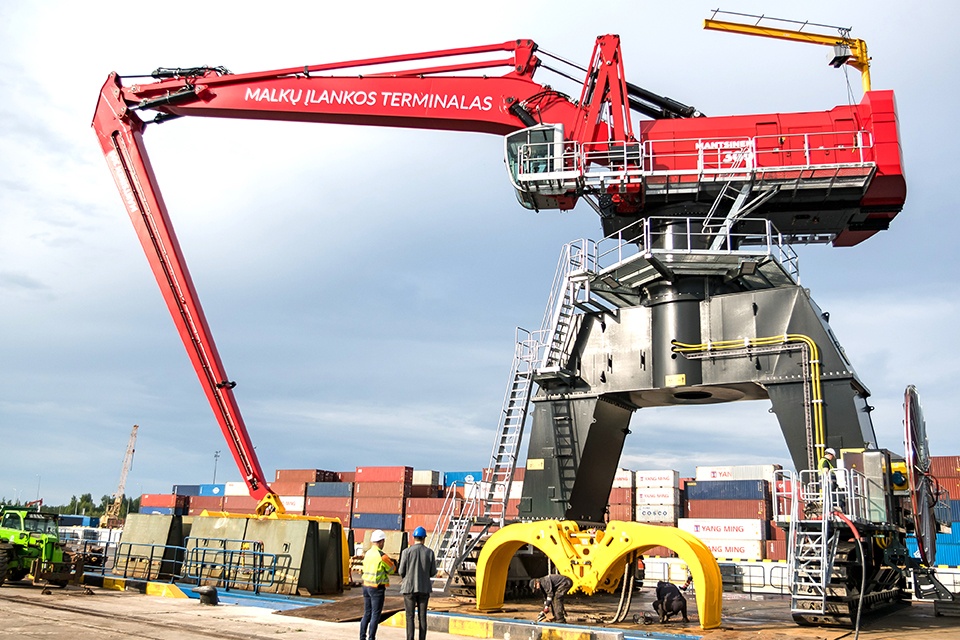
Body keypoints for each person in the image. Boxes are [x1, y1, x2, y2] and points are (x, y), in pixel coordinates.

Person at [398, 526, 437, 640]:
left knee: (409, 617)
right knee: (422, 617)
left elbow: (401, 571)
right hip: (424, 588)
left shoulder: (406, 552)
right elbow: (433, 572)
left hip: (409, 589)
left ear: (413, 538)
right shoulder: (430, 553)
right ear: (424, 538)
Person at [360, 529, 396, 640]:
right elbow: (392, 570)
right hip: (377, 588)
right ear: (381, 541)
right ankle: (371, 638)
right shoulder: (382, 556)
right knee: (375, 614)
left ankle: (362, 637)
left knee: (367, 613)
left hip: (366, 586)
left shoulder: (368, 553)